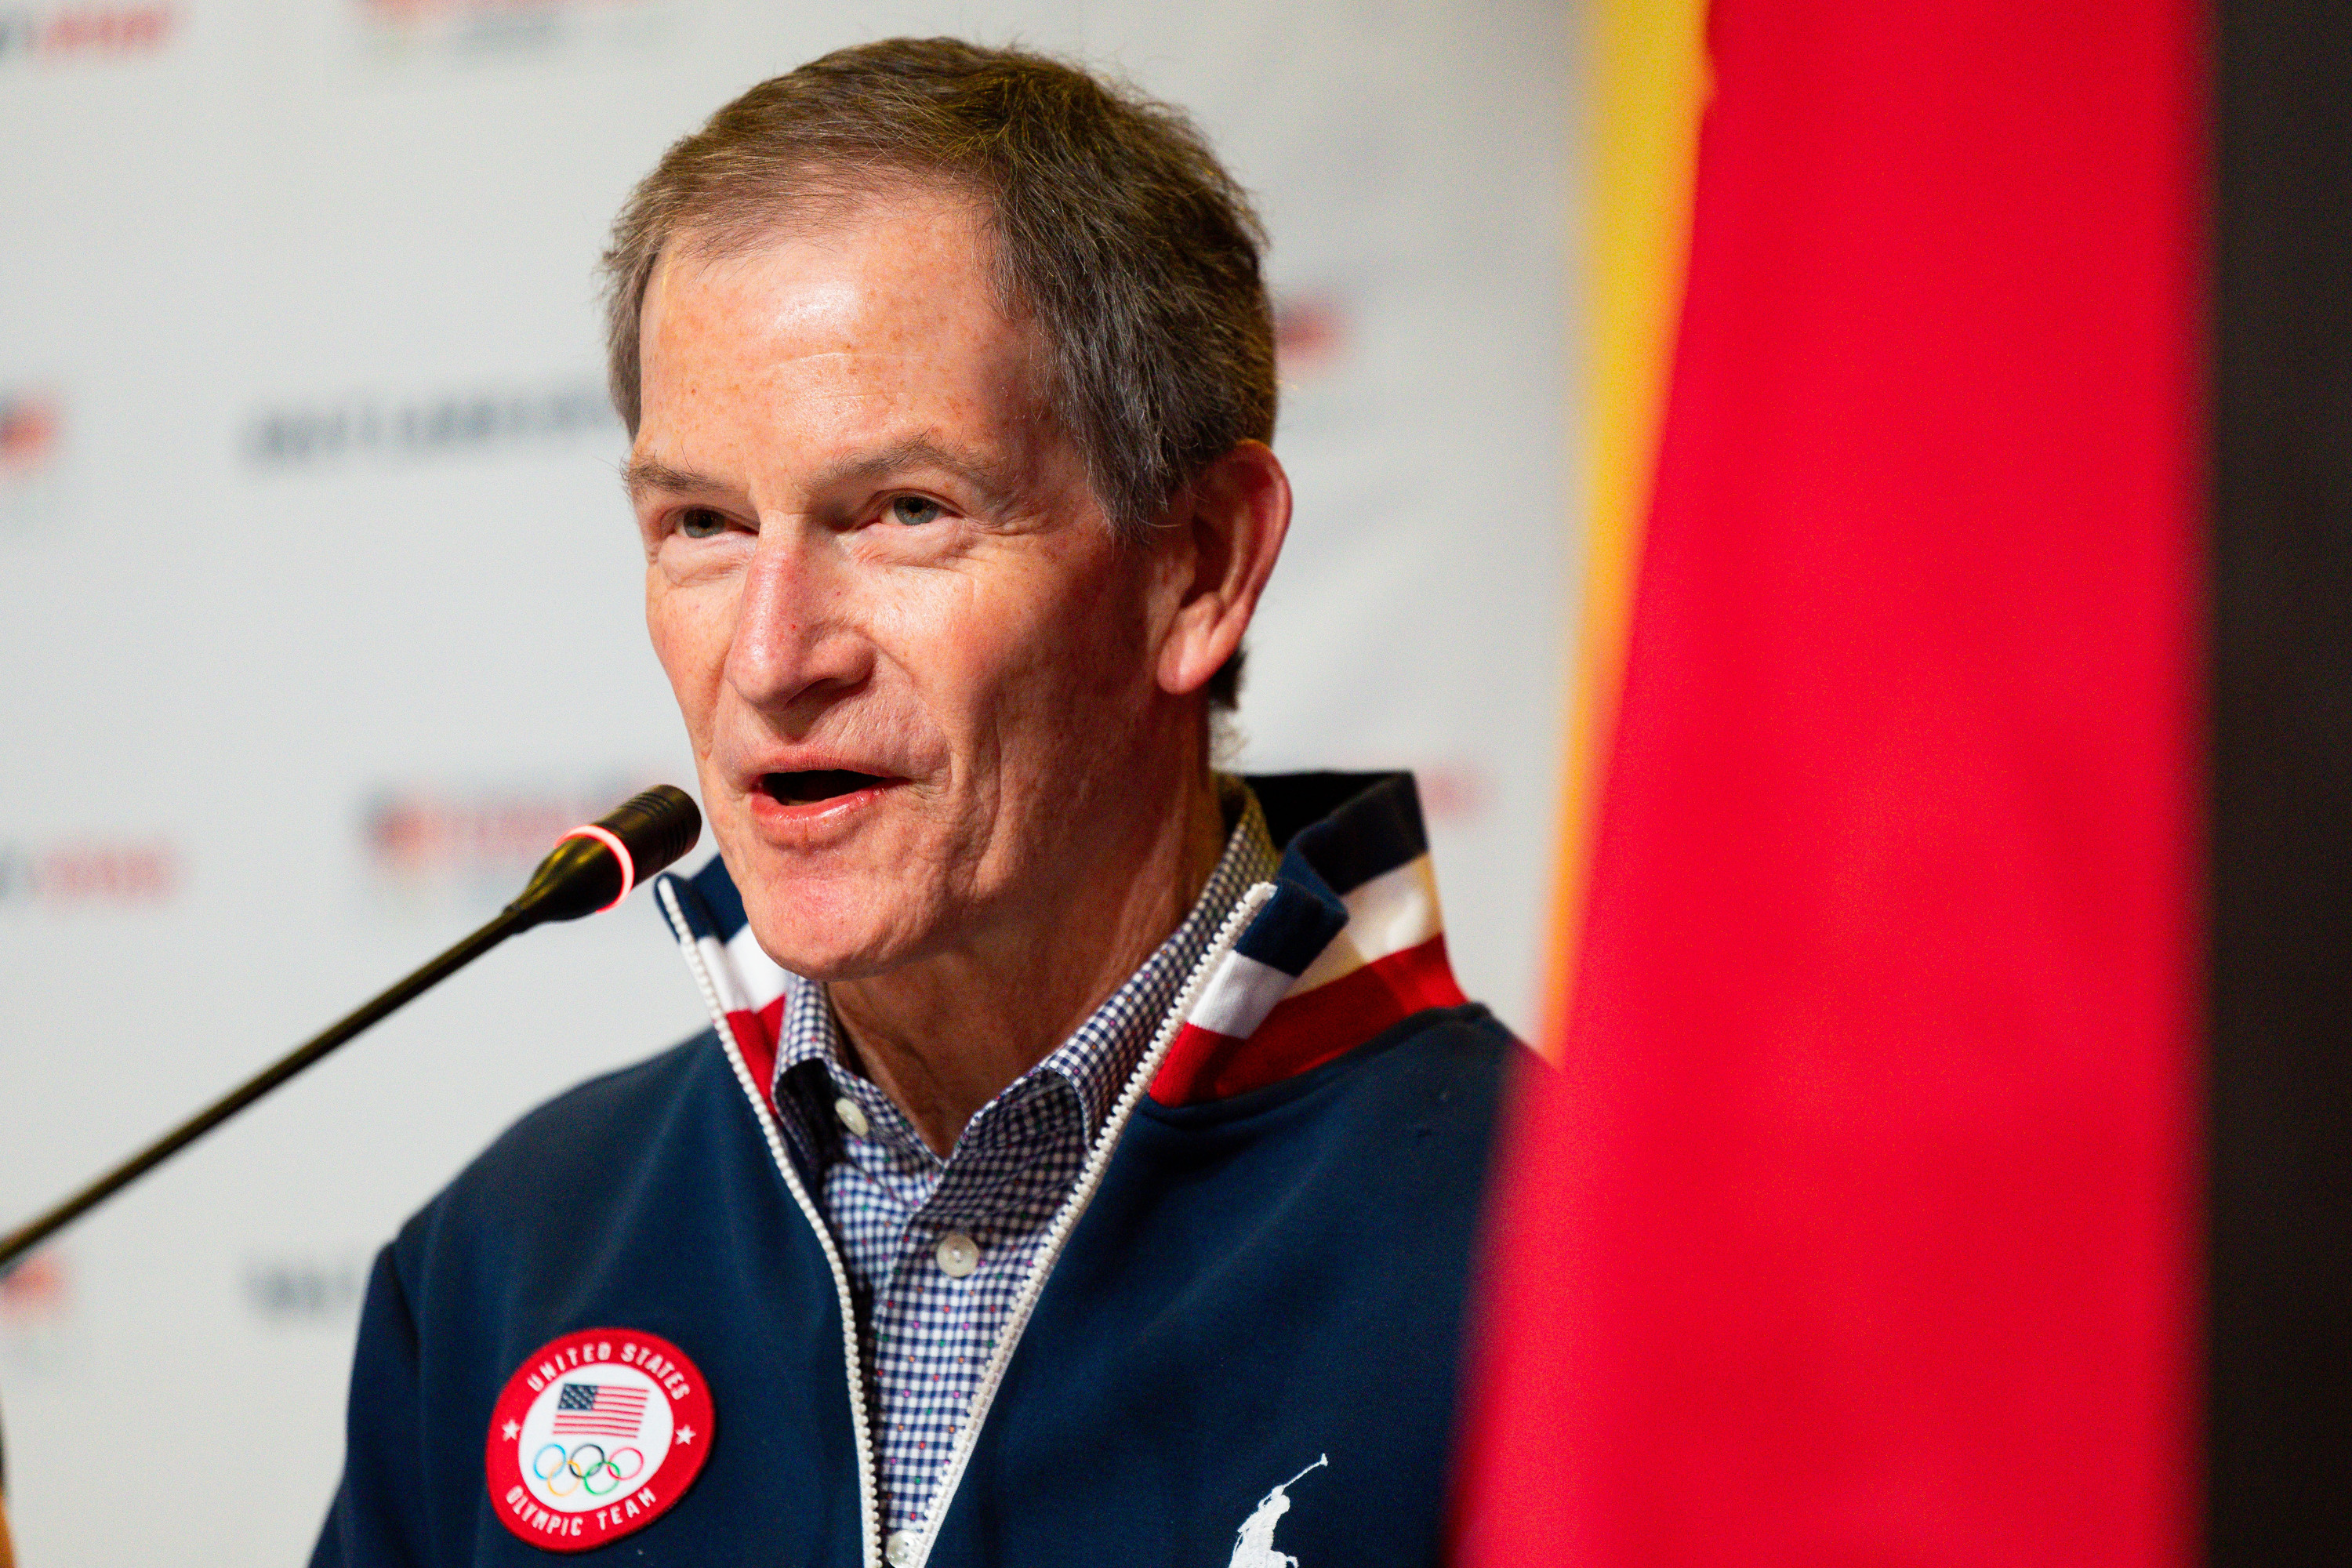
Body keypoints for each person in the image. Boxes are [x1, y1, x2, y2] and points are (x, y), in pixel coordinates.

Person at [313, 37, 1516, 1568]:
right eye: (700, 523)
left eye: (904, 512)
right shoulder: (499, 1264)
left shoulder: (1565, 1262)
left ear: (1198, 564)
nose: (769, 656)